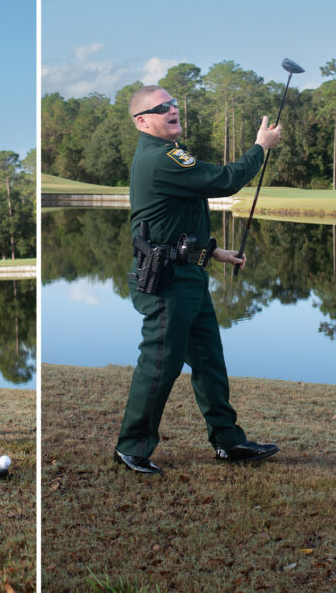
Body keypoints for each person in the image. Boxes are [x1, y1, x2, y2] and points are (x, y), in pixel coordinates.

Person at [114, 85, 282, 475]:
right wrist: (261, 147)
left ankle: (228, 441)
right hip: (166, 283)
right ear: (142, 121)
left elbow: (176, 223)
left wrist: (213, 253)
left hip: (188, 275)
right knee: (160, 364)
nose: (173, 110)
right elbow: (224, 181)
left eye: (173, 104)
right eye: (163, 107)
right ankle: (132, 447)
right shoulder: (160, 158)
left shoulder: (171, 155)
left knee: (209, 362)